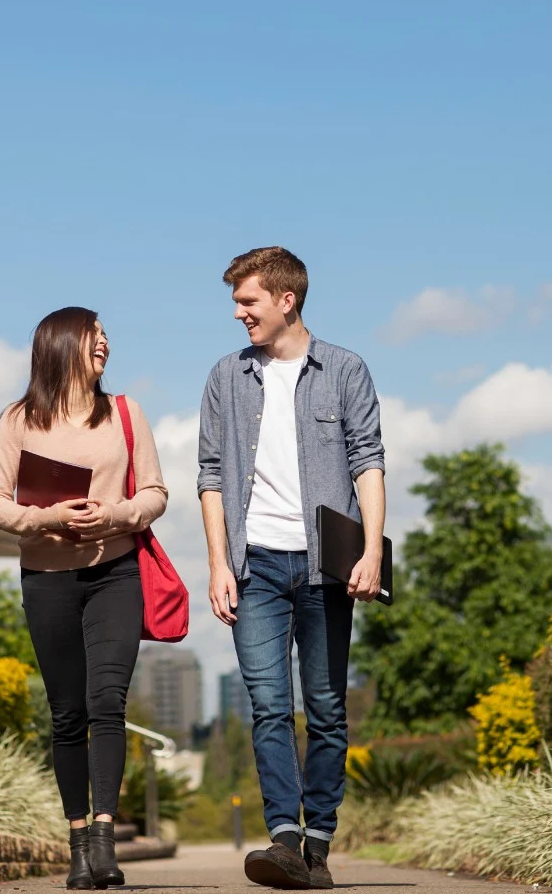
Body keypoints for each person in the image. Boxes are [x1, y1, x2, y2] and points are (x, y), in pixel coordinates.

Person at [197, 248, 386, 890]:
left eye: (247, 302)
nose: (238, 314)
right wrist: (219, 563)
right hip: (256, 568)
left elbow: (368, 462)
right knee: (269, 705)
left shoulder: (345, 370)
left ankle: (319, 843)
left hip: (325, 564)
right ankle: (283, 837)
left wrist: (373, 548)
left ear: (286, 300)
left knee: (328, 707)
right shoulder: (226, 377)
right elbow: (211, 477)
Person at [0, 306, 168, 890]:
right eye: (95, 336)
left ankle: (107, 841)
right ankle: (79, 844)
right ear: (62, 345)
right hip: (47, 582)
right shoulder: (18, 420)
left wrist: (114, 514)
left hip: (115, 574)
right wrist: (44, 518)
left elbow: (157, 494)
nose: (105, 345)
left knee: (108, 701)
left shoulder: (126, 413)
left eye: (108, 336)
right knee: (68, 715)